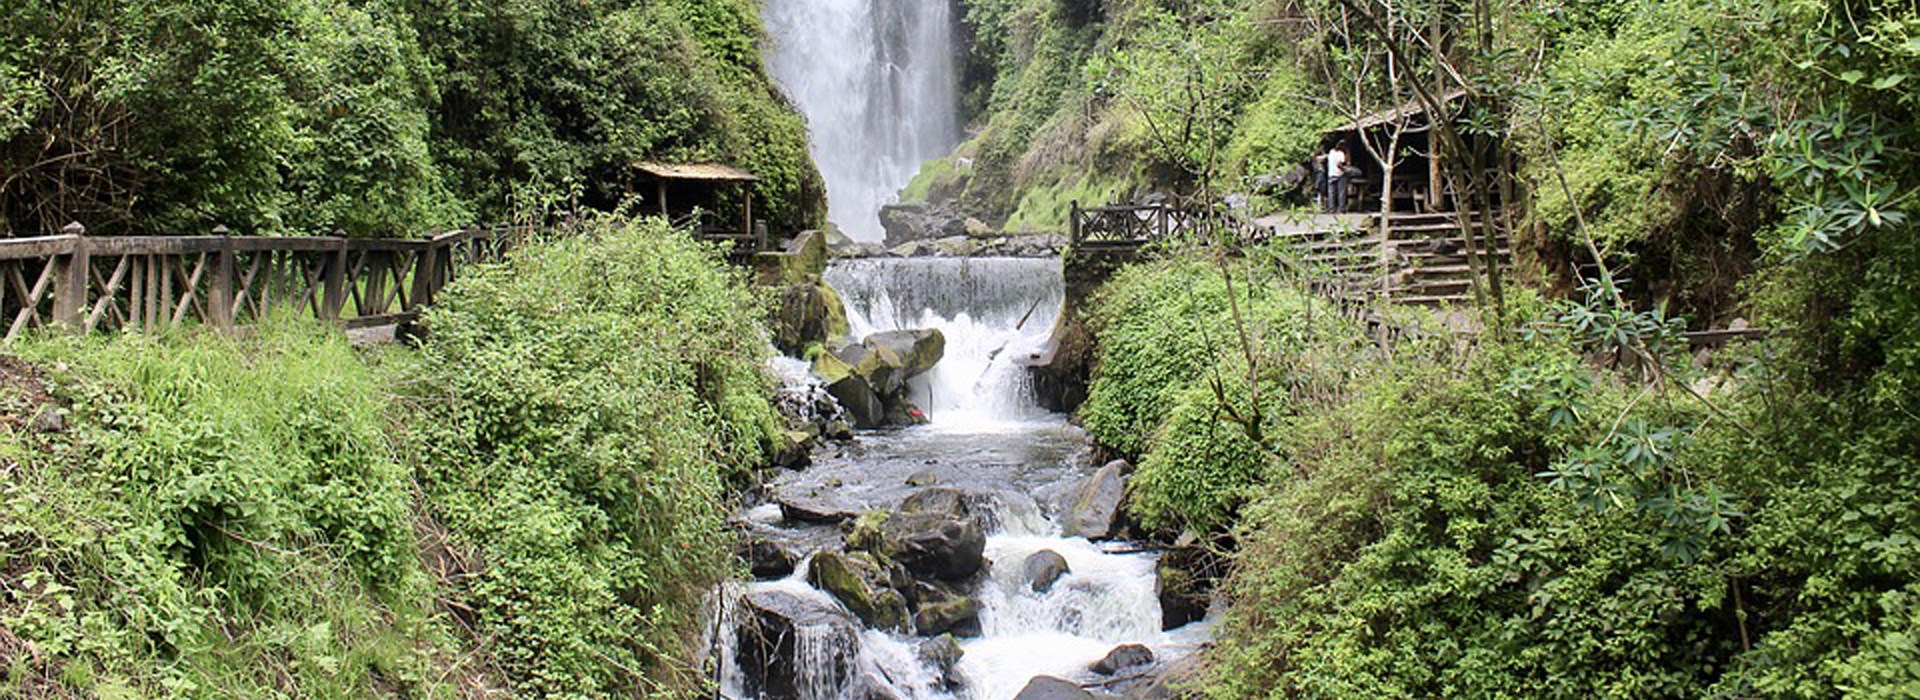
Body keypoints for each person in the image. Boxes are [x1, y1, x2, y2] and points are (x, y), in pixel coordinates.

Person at [1325, 146, 1350, 212]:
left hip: (1331, 174)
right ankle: (1341, 208)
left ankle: (1331, 208)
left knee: (1331, 192)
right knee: (1341, 192)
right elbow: (1339, 164)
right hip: (1339, 174)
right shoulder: (1340, 154)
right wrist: (1345, 170)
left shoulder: (1331, 152)